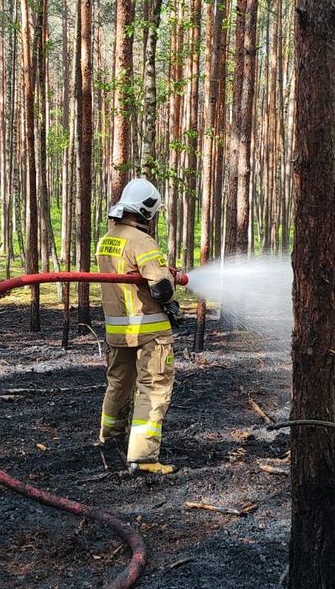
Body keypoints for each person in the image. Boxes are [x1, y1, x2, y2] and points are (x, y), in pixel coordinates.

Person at [96, 178, 182, 475]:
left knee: (118, 384)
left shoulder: (108, 238)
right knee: (154, 388)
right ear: (146, 211)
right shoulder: (142, 241)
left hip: (117, 331)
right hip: (149, 331)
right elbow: (161, 288)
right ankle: (143, 457)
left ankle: (110, 439)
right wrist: (170, 291)